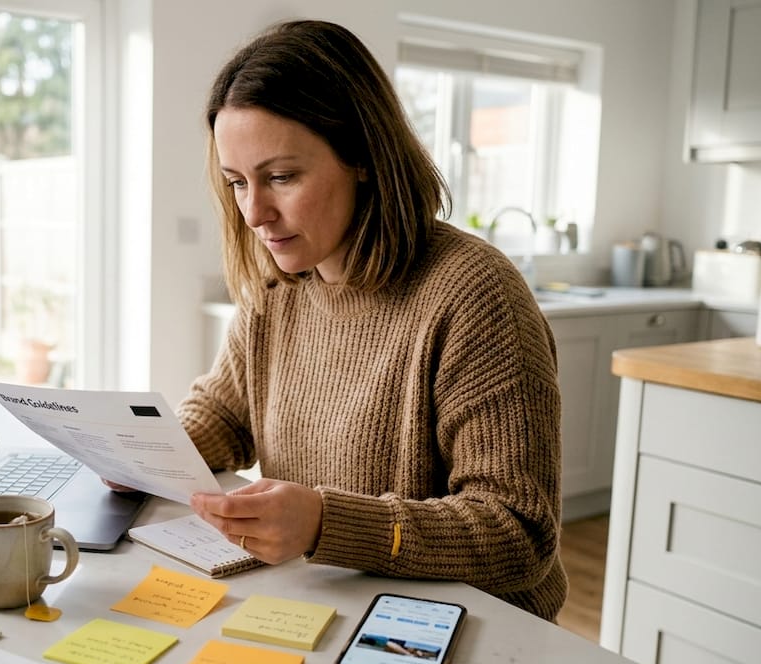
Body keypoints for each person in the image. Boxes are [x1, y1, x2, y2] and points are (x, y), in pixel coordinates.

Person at [174, 18, 567, 621]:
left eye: (281, 177)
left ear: (361, 155)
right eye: (237, 183)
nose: (255, 212)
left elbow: (517, 530)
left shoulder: (474, 295)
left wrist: (326, 523)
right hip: (329, 605)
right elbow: (225, 414)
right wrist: (143, 454)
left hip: (467, 636)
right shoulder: (280, 288)